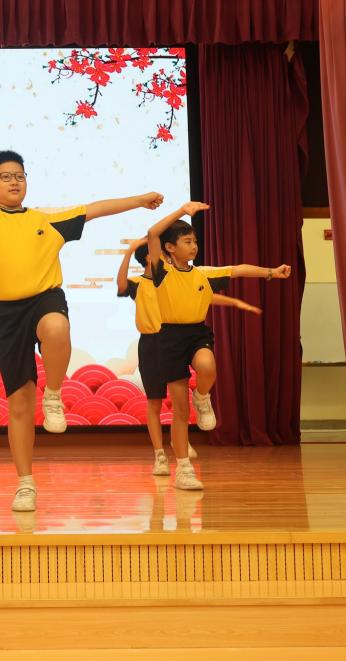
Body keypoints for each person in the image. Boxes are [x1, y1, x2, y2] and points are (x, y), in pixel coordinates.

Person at [0, 79, 163, 511]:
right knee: (19, 403)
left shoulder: (47, 220)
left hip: (44, 299)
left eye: (19, 176)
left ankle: (53, 392)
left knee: (56, 327)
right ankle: (25, 482)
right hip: (4, 314)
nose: (13, 182)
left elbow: (95, 209)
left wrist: (140, 200)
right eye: (5, 177)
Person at [141, 203, 291, 488]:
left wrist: (271, 272)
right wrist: (182, 210)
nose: (194, 246)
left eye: (195, 241)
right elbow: (152, 233)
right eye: (187, 241)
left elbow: (238, 270)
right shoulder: (162, 272)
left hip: (196, 333)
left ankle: (202, 397)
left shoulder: (204, 274)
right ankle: (184, 469)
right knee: (180, 410)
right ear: (170, 248)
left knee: (207, 367)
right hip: (168, 338)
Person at [116, 222, 261, 490]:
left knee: (186, 395)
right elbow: (122, 285)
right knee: (156, 401)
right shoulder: (140, 282)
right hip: (153, 343)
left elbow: (204, 296)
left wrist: (237, 301)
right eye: (155, 254)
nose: (160, 256)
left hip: (179, 336)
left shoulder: (178, 276)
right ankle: (161, 455)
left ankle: (183, 434)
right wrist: (128, 252)